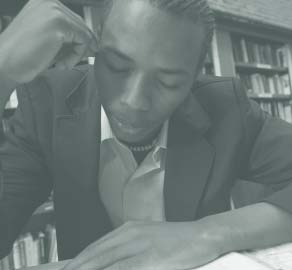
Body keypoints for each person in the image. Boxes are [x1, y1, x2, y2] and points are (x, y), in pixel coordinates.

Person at [1, 0, 292, 269]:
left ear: (194, 77)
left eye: (168, 82)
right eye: (116, 66)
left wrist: (206, 235)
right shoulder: (47, 103)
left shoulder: (226, 109)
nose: (134, 101)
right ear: (96, 41)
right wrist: (2, 71)